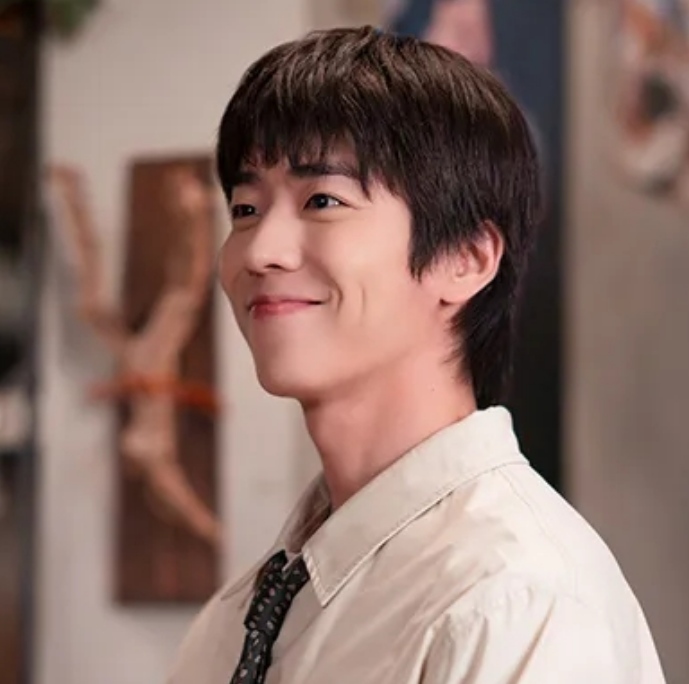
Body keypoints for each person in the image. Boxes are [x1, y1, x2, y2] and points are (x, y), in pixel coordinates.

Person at [168, 26, 666, 684]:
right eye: (245, 208)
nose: (260, 252)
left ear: (466, 258)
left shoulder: (512, 601)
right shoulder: (236, 619)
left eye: (323, 201)